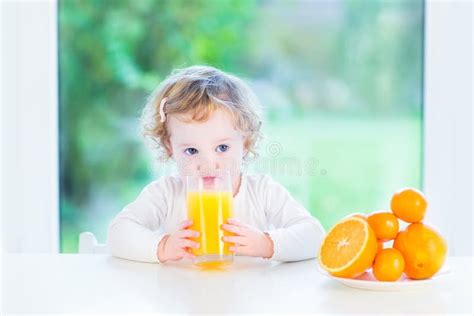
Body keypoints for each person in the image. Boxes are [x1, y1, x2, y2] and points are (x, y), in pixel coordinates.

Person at [107, 65, 325, 263]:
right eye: (191, 151)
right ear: (169, 147)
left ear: (246, 142)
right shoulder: (166, 194)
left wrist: (267, 244)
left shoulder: (262, 192)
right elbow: (118, 233)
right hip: (183, 299)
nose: (208, 164)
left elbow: (314, 235)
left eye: (222, 148)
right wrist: (162, 246)